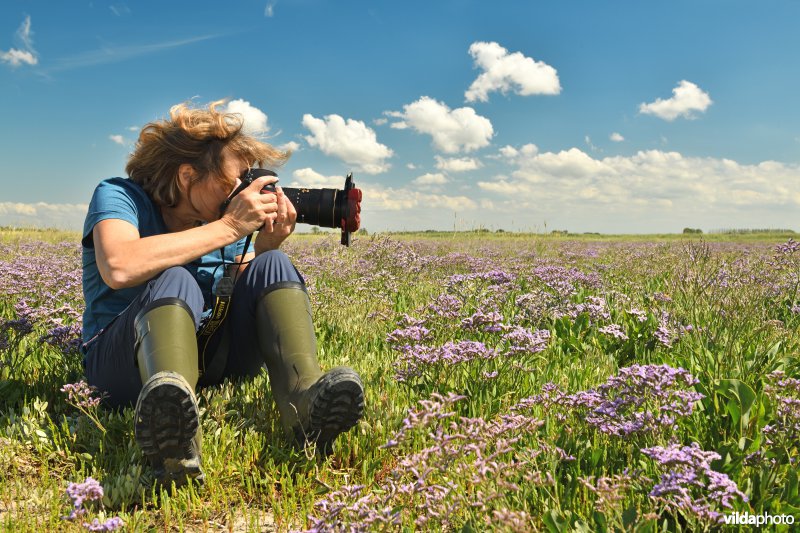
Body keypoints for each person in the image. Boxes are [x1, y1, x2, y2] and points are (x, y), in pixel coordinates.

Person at [80, 100, 365, 486]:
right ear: (186, 175)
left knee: (273, 266)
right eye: (233, 181)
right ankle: (177, 443)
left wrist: (264, 246)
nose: (241, 191)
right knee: (175, 278)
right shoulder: (119, 196)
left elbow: (233, 288)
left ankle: (304, 404)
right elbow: (119, 266)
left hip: (205, 355)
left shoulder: (214, 219)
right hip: (118, 367)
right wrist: (231, 226)